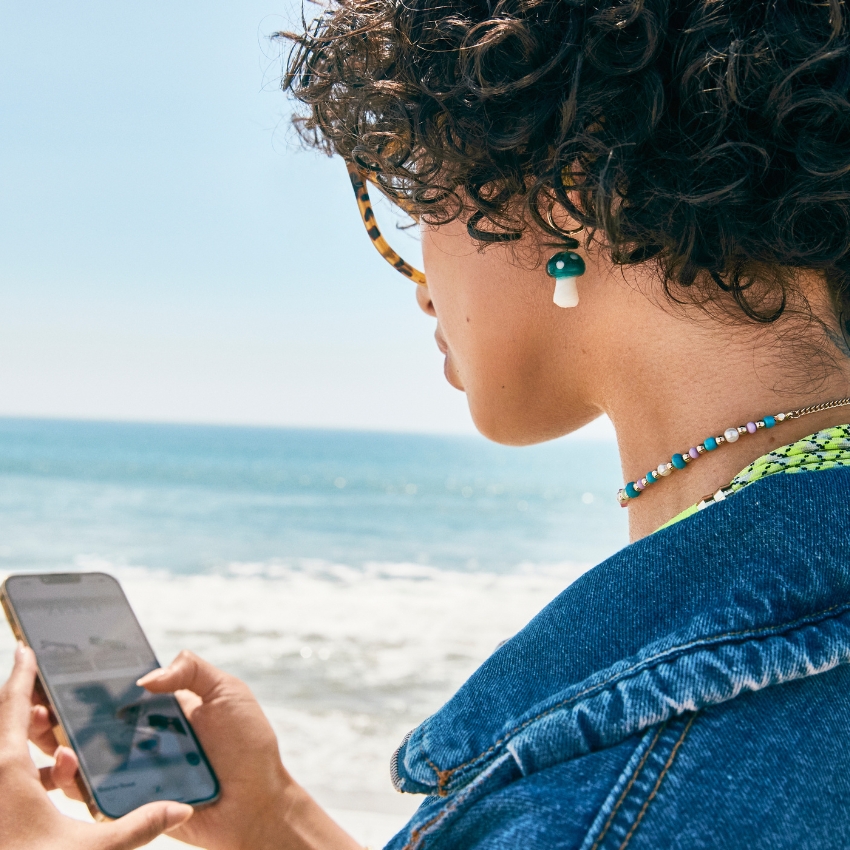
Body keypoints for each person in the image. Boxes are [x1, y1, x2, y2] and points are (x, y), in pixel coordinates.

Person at [3, 0, 850, 846]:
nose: (418, 279)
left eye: (416, 209)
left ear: (562, 199)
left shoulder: (623, 792)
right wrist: (273, 816)